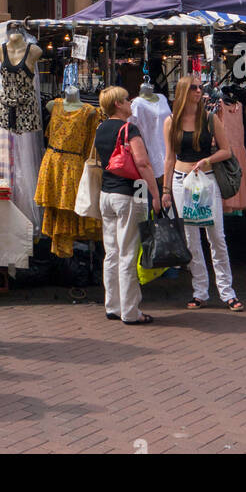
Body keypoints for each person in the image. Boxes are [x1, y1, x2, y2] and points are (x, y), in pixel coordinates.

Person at [162, 75, 243, 311]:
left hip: (206, 180)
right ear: (183, 92)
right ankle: (200, 291)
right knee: (191, 238)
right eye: (193, 88)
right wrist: (165, 190)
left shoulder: (209, 118)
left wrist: (208, 159)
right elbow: (169, 158)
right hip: (181, 181)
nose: (199, 91)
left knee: (216, 235)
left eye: (199, 87)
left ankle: (227, 291)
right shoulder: (171, 121)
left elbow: (226, 150)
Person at [94, 86, 162, 325]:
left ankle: (112, 305)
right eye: (126, 99)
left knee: (111, 253)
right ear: (117, 104)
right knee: (128, 253)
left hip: (106, 194)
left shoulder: (100, 128)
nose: (131, 101)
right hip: (129, 194)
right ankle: (131, 311)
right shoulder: (129, 129)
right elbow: (142, 163)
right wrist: (155, 194)